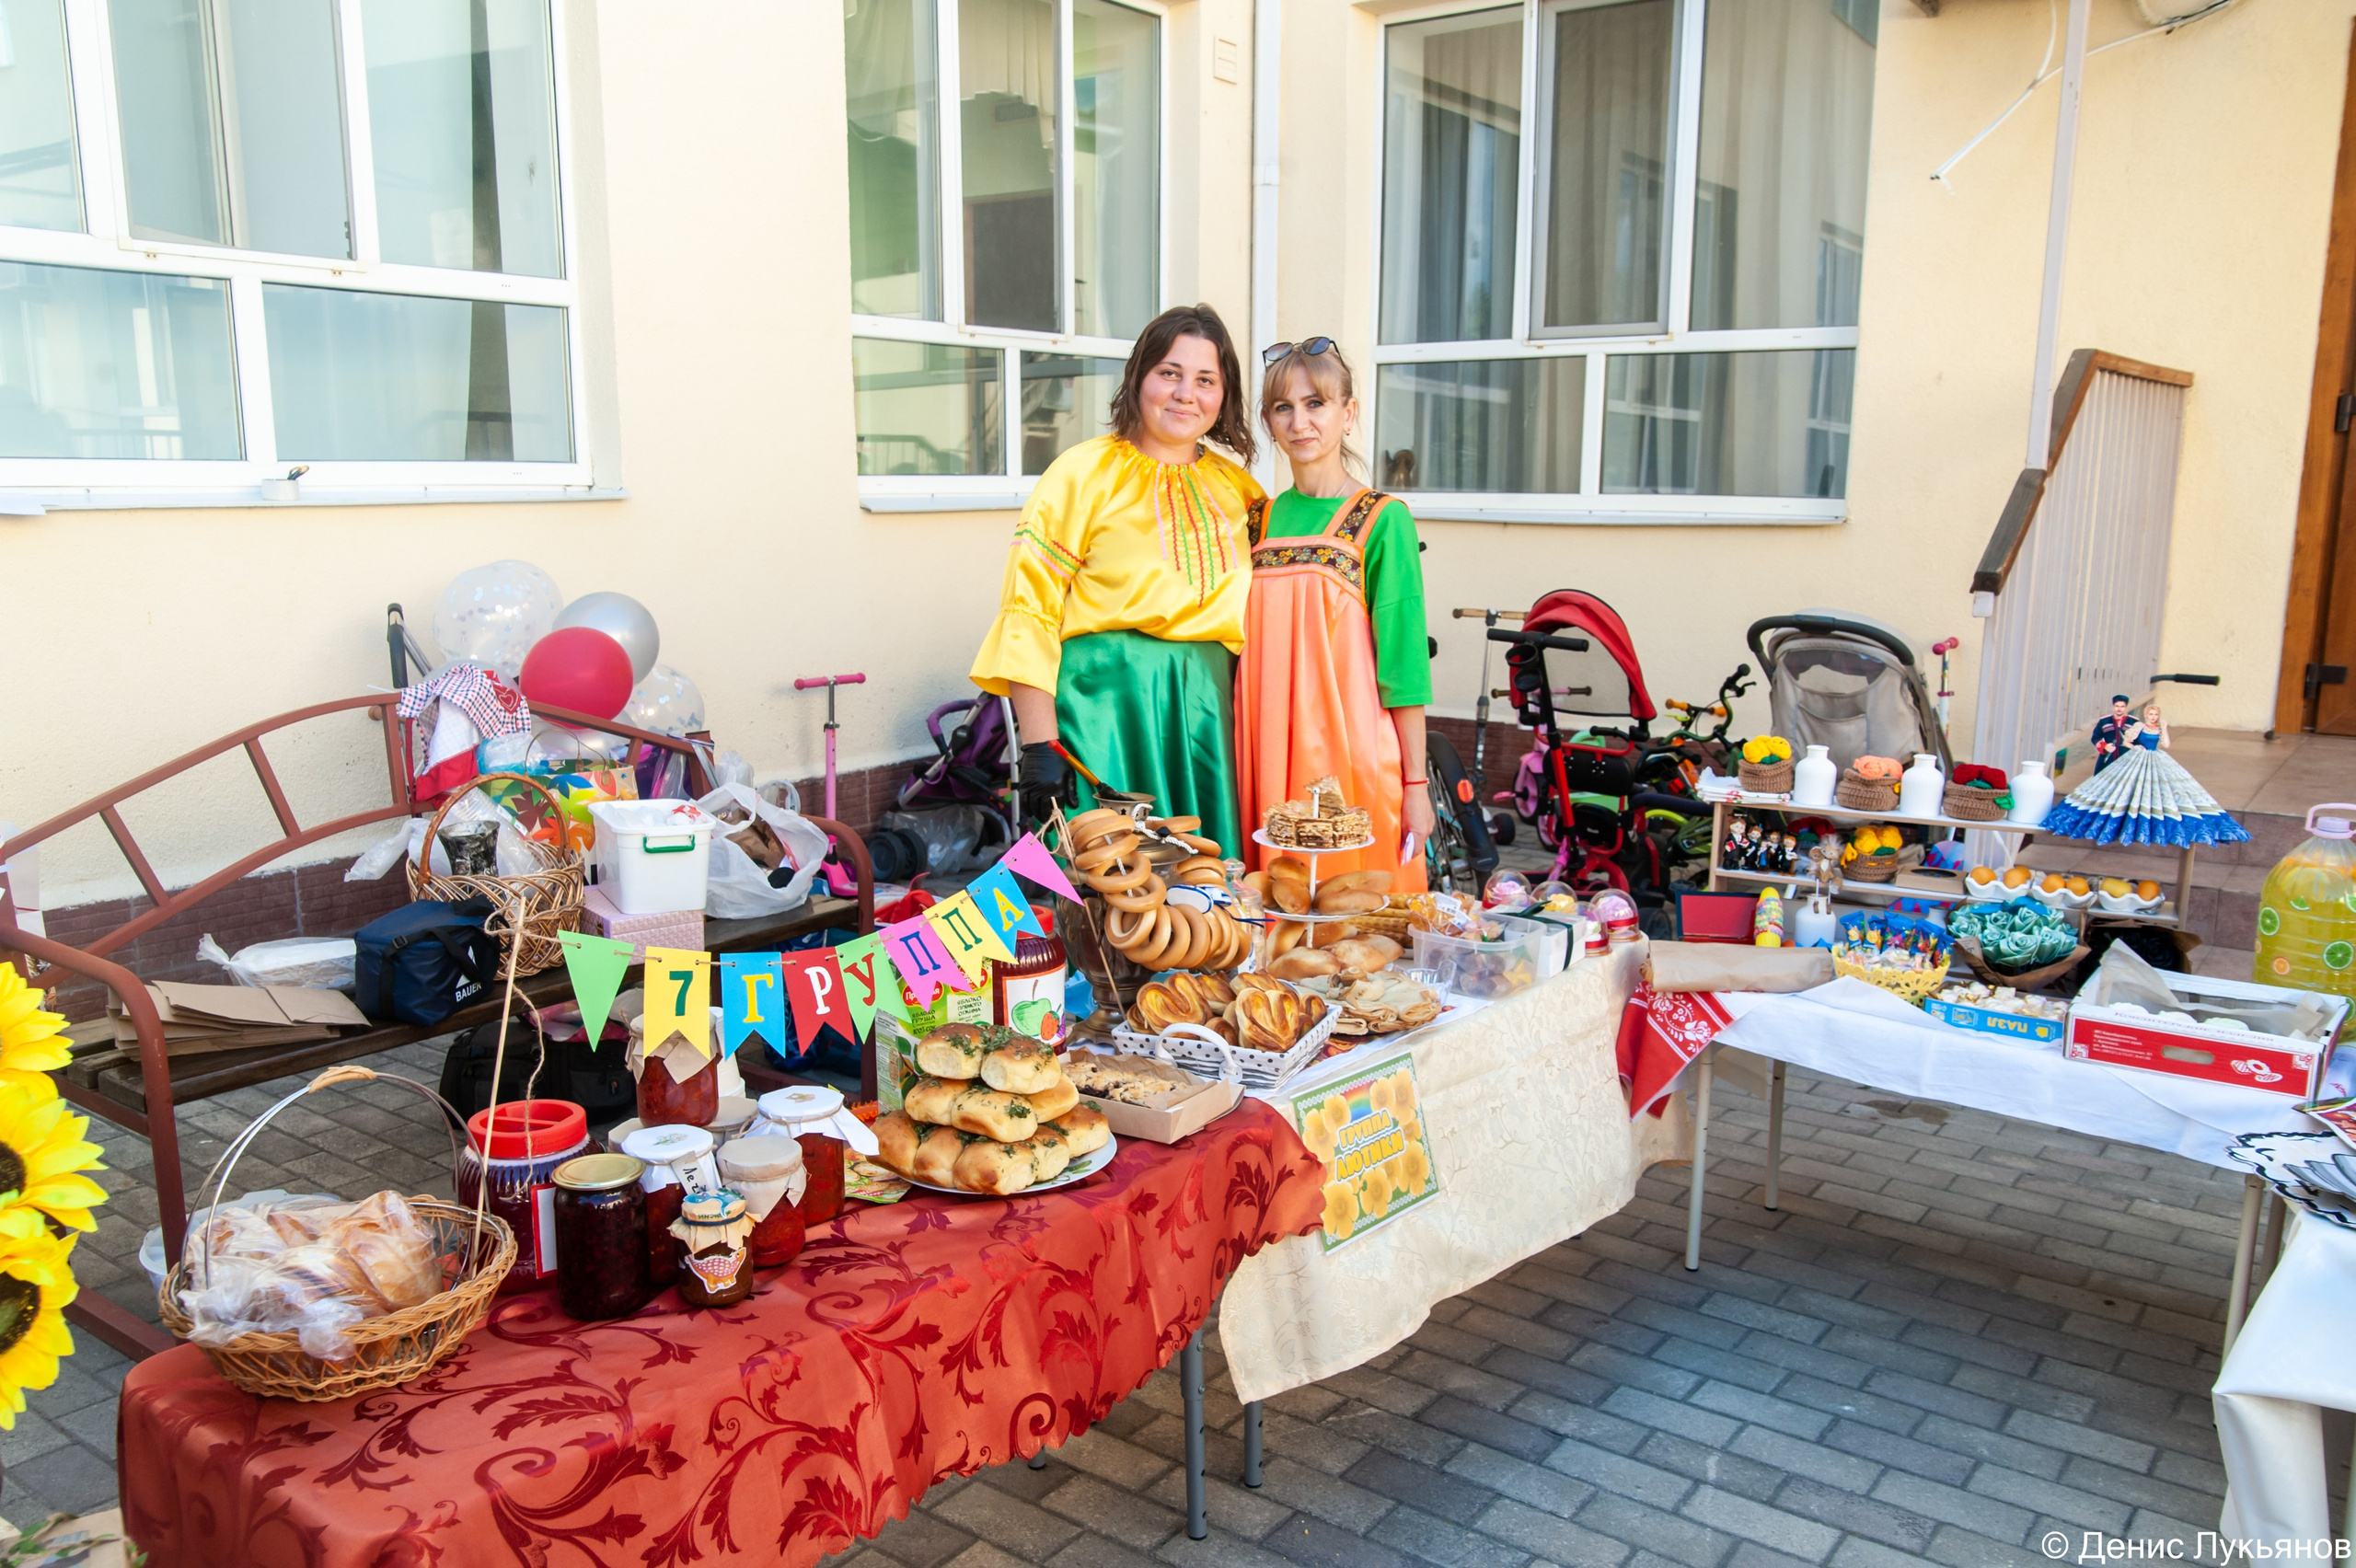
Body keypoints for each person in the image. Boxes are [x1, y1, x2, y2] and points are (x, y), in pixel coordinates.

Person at [970, 304, 1264, 853]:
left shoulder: (1241, 493)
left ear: (1224, 396)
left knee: (1203, 895)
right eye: (1169, 373)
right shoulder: (1081, 474)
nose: (1185, 394)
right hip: (1100, 712)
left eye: (1206, 380)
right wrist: (1040, 744)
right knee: (1107, 884)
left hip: (1207, 718)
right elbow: (1029, 610)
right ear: (1139, 377)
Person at [1234, 337, 1433, 889]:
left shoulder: (1382, 518)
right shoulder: (1256, 521)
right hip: (1265, 751)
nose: (1300, 422)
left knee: (1357, 929)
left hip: (1352, 756)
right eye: (1283, 407)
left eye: (1315, 403)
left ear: (1348, 413)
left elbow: (1405, 664)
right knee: (1283, 926)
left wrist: (1416, 786)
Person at [2045, 703, 2250, 846]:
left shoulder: (2159, 728)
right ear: (2146, 716)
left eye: (2155, 715)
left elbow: (2167, 744)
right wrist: (2136, 748)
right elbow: (2126, 742)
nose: (2153, 717)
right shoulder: (2139, 727)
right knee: (2124, 789)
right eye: (2151, 714)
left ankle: (2151, 826)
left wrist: (2165, 729)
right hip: (2137, 758)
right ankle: (2119, 823)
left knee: (2163, 792)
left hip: (2157, 758)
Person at [2089, 695, 2133, 773]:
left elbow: (2138, 740)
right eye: (2117, 706)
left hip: (2126, 755)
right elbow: (2095, 737)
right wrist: (2105, 746)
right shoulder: (2104, 721)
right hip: (2108, 755)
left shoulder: (2133, 722)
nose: (2119, 709)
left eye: (2122, 706)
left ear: (2126, 707)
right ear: (2113, 706)